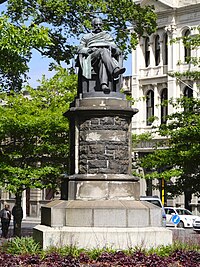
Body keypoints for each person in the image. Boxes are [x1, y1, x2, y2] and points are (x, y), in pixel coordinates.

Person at [77, 17, 126, 93]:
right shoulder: (86, 37)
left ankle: (104, 85)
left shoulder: (107, 36)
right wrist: (89, 50)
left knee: (103, 59)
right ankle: (114, 70)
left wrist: (114, 49)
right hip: (91, 57)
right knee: (103, 51)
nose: (98, 26)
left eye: (100, 24)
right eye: (96, 25)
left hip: (104, 57)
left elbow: (116, 48)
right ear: (92, 25)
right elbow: (80, 49)